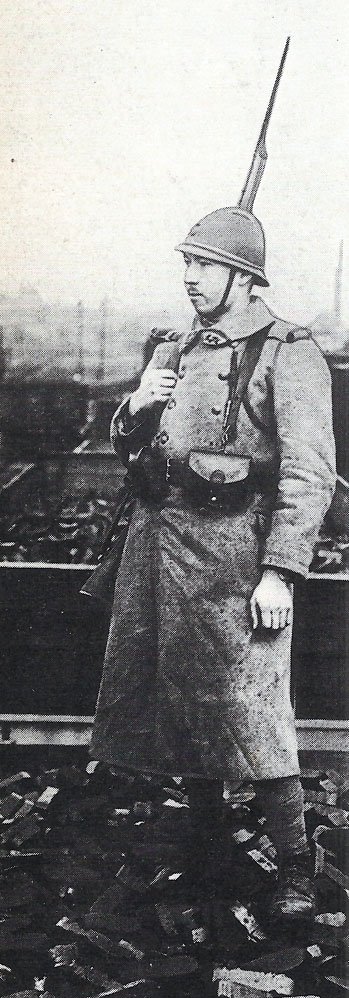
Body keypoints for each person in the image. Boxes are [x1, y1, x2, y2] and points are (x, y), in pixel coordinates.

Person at [91, 206, 336, 921]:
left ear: (243, 276)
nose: (191, 279)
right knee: (176, 700)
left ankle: (295, 860)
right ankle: (208, 843)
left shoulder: (286, 352)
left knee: (251, 711)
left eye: (204, 266)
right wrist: (136, 406)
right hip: (158, 551)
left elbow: (308, 474)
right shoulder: (174, 350)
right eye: (187, 265)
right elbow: (135, 452)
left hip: (236, 559)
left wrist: (280, 571)